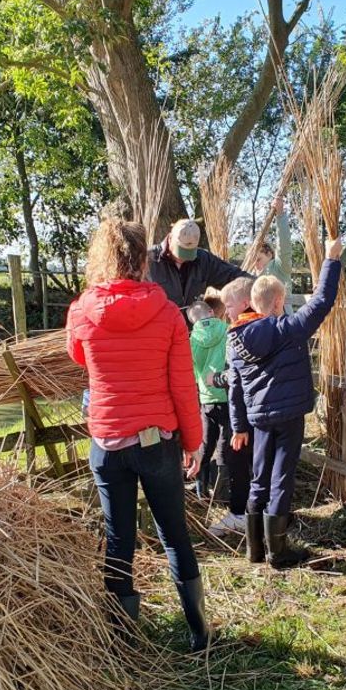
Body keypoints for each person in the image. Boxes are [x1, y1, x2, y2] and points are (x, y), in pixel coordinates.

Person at [66, 217, 210, 652]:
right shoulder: (166, 312)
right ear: (143, 257)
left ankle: (125, 641)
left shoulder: (81, 310)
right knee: (174, 534)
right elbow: (183, 384)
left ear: (102, 258)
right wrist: (194, 440)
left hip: (108, 442)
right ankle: (200, 634)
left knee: (118, 538)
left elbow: (77, 357)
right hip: (157, 442)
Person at [228, 238, 344, 568]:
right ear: (278, 301)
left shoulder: (235, 339)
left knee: (259, 477)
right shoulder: (287, 329)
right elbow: (321, 302)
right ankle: (279, 553)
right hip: (289, 414)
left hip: (258, 418)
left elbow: (235, 387)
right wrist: (331, 260)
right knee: (281, 479)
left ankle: (254, 551)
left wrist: (239, 424)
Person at [204, 277, 256, 539]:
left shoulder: (240, 331)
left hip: (245, 411)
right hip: (262, 410)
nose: (226, 311)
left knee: (238, 460)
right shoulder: (268, 323)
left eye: (229, 304)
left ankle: (239, 515)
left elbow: (237, 377)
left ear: (245, 303)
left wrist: (217, 379)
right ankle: (259, 513)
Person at [148, 218, 250, 317]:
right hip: (159, 330)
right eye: (181, 251)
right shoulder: (147, 260)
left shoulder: (203, 259)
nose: (184, 258)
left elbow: (233, 276)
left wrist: (259, 287)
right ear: (170, 239)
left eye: (189, 253)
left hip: (194, 331)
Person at [187, 300, 231, 502]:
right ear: (212, 312)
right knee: (224, 447)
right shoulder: (226, 329)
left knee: (205, 444)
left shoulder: (191, 339)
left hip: (206, 399)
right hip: (226, 395)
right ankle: (222, 495)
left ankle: (201, 491)